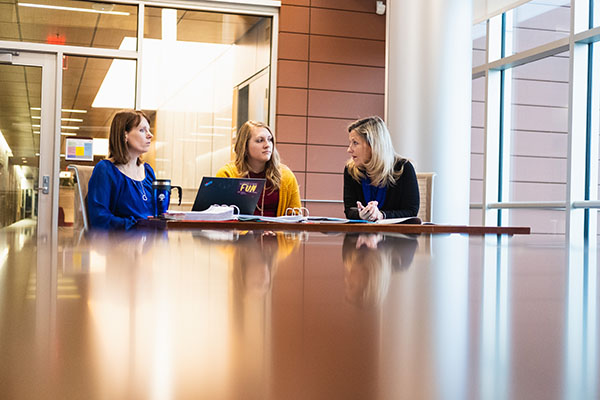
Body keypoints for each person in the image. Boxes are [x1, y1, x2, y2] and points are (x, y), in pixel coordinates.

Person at [87, 109, 155, 230]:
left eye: (149, 130)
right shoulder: (105, 170)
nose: (150, 135)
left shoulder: (148, 171)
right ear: (125, 135)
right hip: (119, 244)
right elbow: (99, 218)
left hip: (149, 242)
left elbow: (155, 214)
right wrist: (136, 225)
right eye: (142, 130)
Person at [216, 121, 301, 217]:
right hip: (238, 232)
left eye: (270, 140)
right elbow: (218, 218)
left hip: (276, 231)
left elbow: (295, 217)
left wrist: (277, 232)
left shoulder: (286, 176)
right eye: (260, 140)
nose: (267, 145)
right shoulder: (227, 174)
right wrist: (247, 232)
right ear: (245, 146)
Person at [343, 116, 420, 221]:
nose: (349, 149)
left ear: (373, 145)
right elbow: (349, 210)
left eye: (355, 143)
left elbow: (411, 211)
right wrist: (361, 214)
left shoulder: (404, 168)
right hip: (361, 235)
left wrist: (381, 215)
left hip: (397, 236)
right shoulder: (351, 170)